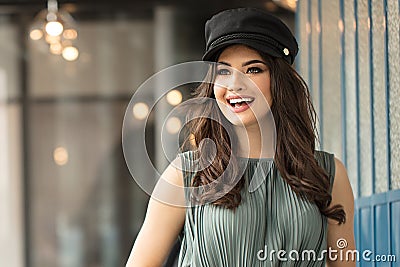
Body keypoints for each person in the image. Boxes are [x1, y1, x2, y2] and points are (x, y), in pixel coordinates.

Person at [126, 7, 355, 267]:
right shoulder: (186, 174)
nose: (235, 84)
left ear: (279, 81)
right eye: (223, 71)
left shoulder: (328, 174)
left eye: (253, 70)